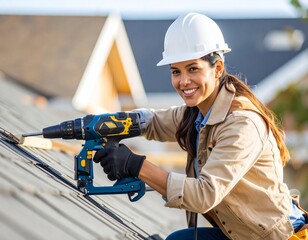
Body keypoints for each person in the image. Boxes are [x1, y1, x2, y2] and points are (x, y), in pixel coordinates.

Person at [93, 12, 307, 240]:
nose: (183, 81)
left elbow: (205, 194)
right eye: (176, 71)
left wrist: (134, 165)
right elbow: (153, 122)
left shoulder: (241, 124)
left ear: (217, 69)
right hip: (241, 233)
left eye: (193, 69)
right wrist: (105, 124)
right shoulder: (198, 114)